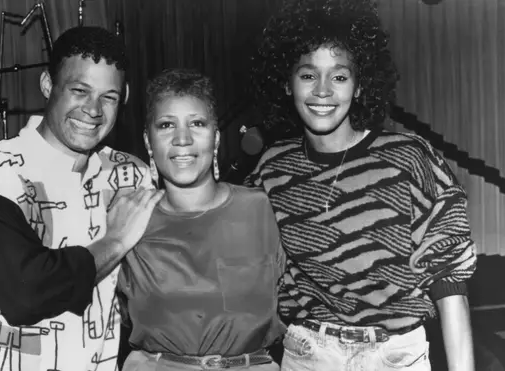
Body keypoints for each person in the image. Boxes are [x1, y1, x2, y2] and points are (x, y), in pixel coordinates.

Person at [245, 0, 478, 370]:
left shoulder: (409, 160)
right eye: (307, 75)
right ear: (286, 83)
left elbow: (450, 287)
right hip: (309, 354)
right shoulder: (272, 169)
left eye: (339, 76)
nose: (322, 90)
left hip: (395, 356)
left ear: (359, 86)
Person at [0, 26, 163, 371]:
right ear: (48, 85)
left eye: (108, 96)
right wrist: (117, 240)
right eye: (79, 91)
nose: (93, 110)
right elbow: (27, 292)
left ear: (124, 96)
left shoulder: (130, 174)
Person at [116, 68, 285, 371]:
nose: (183, 139)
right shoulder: (130, 216)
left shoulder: (261, 208)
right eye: (166, 125)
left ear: (216, 139)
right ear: (148, 141)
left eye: (197, 123)